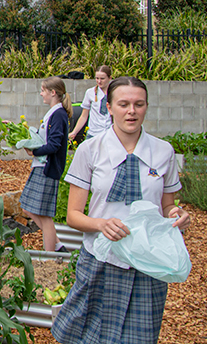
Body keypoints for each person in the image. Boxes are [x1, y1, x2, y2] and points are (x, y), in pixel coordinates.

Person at [52, 76, 191, 344]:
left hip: (148, 261)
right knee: (87, 335)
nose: (131, 111)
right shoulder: (90, 150)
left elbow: (168, 206)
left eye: (139, 104)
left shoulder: (163, 152)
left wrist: (177, 216)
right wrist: (102, 225)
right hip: (101, 259)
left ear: (146, 107)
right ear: (109, 106)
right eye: (124, 104)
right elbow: (73, 216)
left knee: (139, 337)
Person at [19, 76, 71, 252]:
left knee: (45, 216)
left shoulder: (58, 114)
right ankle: (58, 245)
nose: (41, 93)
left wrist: (35, 152)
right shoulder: (54, 113)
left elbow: (54, 145)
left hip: (47, 168)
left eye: (43, 90)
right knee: (27, 208)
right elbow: (44, 139)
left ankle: (50, 254)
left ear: (53, 92)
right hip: (41, 166)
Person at [69, 65, 112, 141]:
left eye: (102, 79)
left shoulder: (114, 93)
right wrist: (74, 132)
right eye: (97, 78)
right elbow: (84, 116)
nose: (99, 81)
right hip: (93, 133)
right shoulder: (90, 92)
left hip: (109, 133)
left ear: (109, 78)